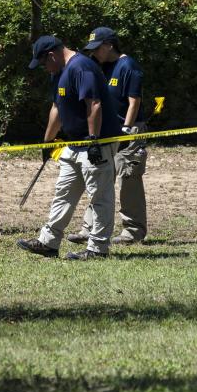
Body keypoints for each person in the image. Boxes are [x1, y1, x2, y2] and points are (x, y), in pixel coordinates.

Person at [17, 35, 123, 261]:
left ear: (52, 55)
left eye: (44, 63)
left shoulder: (81, 68)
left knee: (100, 197)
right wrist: (47, 142)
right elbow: (57, 108)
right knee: (63, 194)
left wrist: (94, 140)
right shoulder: (58, 73)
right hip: (73, 146)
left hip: (95, 144)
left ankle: (98, 249)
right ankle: (48, 242)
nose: (44, 68)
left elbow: (94, 104)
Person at [65, 27, 149, 245]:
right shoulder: (101, 68)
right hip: (108, 133)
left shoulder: (128, 66)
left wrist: (127, 131)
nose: (94, 53)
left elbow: (134, 102)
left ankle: (133, 230)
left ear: (109, 46)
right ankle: (89, 227)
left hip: (127, 132)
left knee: (128, 178)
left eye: (97, 48)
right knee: (99, 178)